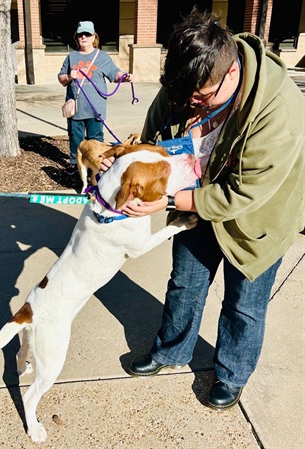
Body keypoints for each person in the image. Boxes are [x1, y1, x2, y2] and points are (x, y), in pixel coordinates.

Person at [100, 9, 304, 410]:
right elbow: (153, 140)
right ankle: (172, 352)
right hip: (195, 197)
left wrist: (170, 200)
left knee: (244, 305)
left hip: (258, 216)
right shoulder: (188, 81)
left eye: (200, 98)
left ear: (231, 74)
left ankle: (231, 373)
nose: (190, 104)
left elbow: (244, 194)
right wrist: (122, 159)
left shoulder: (280, 111)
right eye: (182, 96)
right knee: (185, 283)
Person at [58, 21, 133, 175]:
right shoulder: (71, 56)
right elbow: (61, 78)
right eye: (80, 34)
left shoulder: (102, 56)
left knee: (96, 139)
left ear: (94, 37)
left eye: (87, 34)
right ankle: (75, 164)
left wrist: (124, 77)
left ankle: (97, 165)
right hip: (76, 107)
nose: (83, 37)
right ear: (76, 37)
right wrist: (69, 76)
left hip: (95, 108)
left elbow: (115, 73)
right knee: (75, 138)